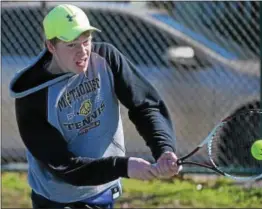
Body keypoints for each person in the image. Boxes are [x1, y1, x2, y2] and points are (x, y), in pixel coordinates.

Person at [9, 4, 180, 209]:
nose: (83, 52)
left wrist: (164, 149)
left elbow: (145, 106)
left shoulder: (106, 59)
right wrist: (124, 166)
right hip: (58, 199)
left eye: (86, 41)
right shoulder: (32, 96)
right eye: (72, 45)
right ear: (51, 47)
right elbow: (65, 167)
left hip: (104, 189)